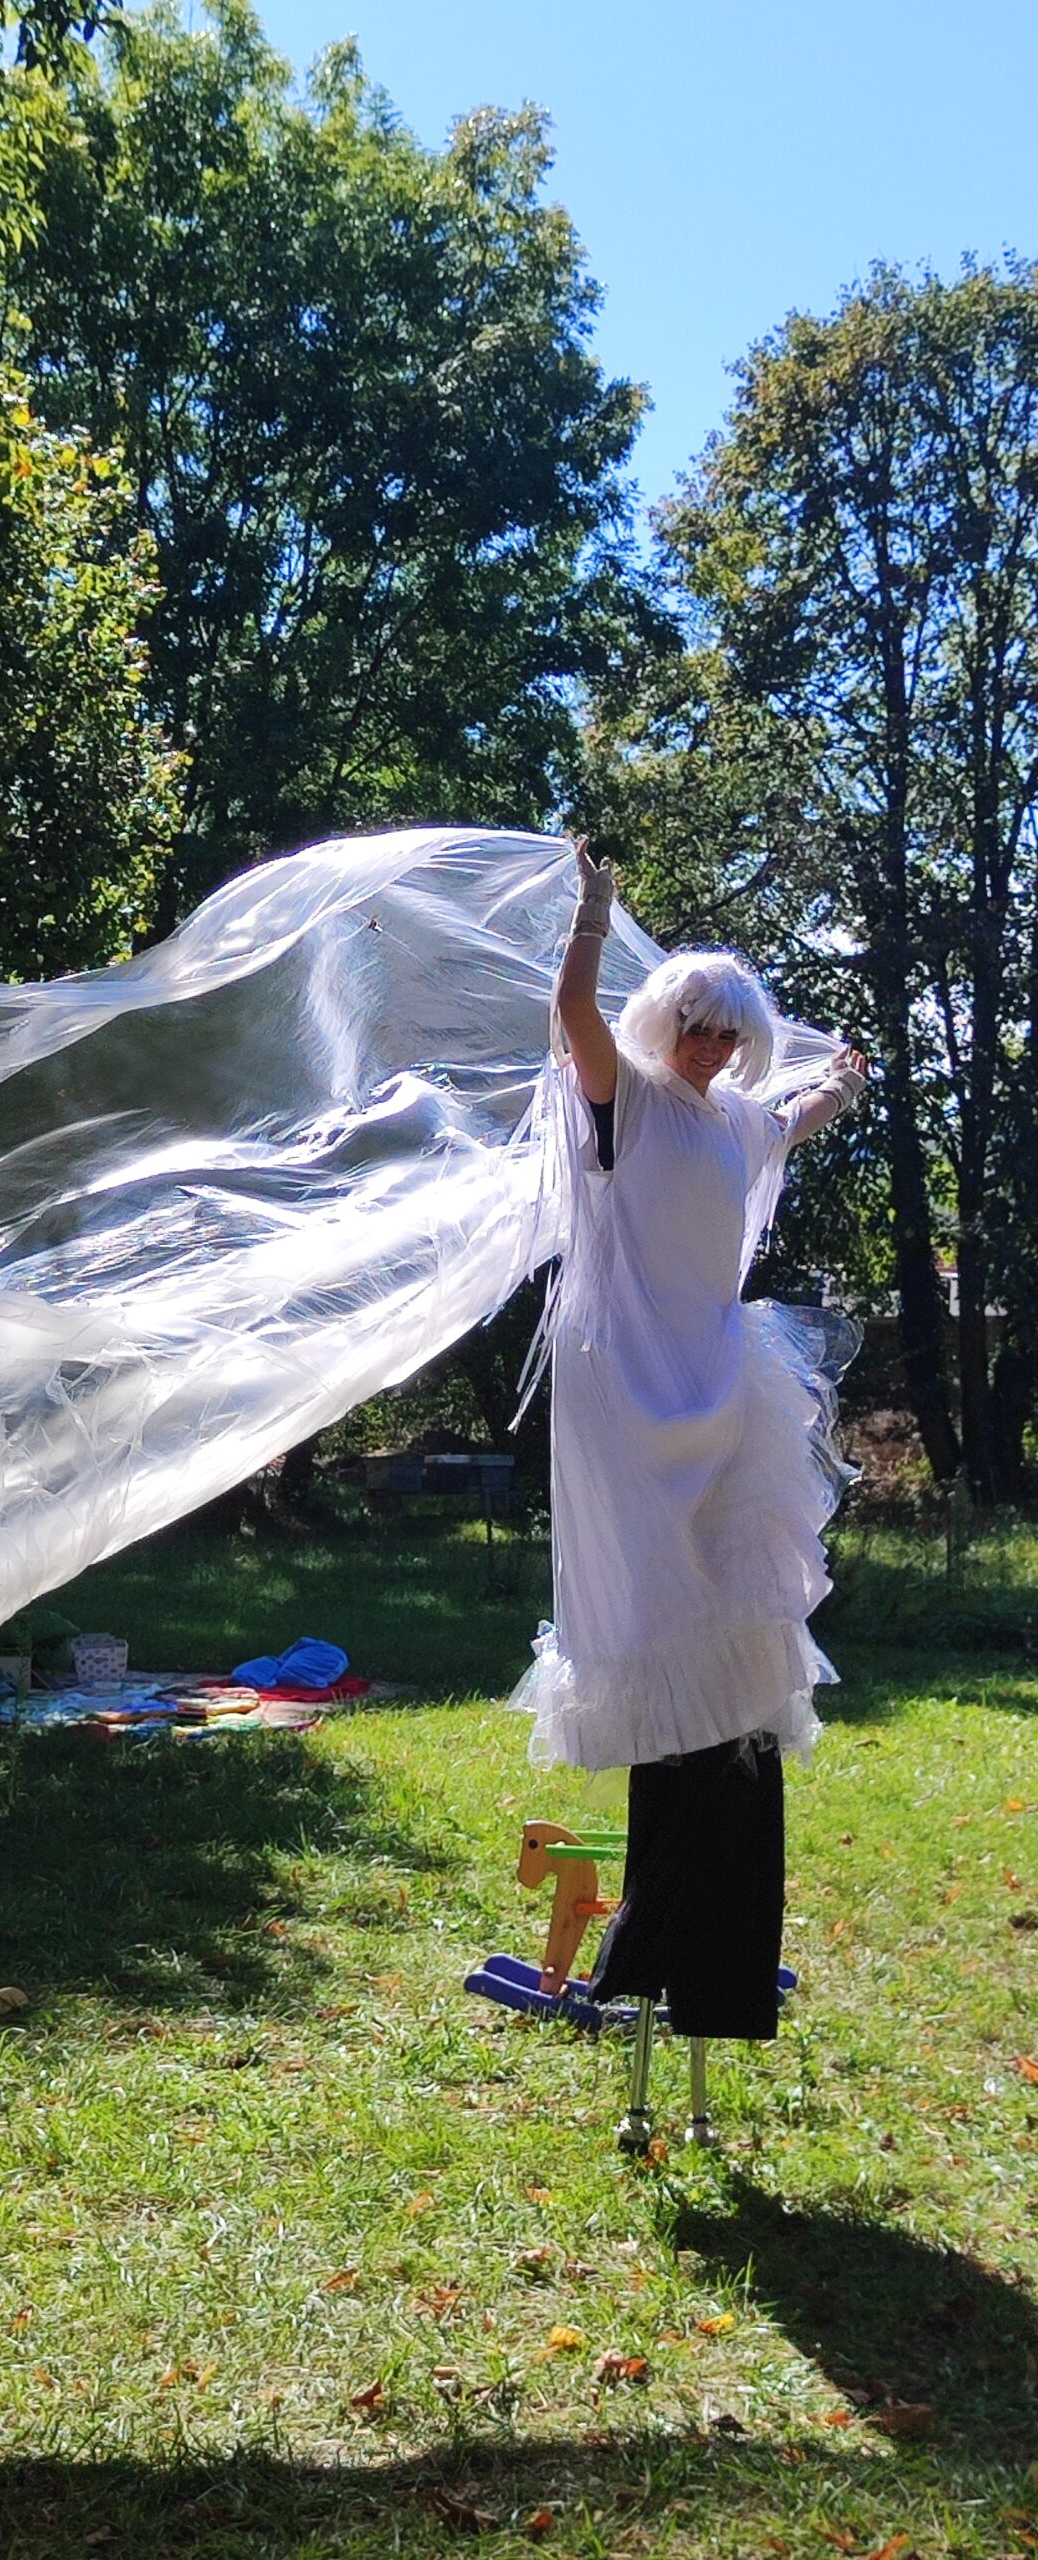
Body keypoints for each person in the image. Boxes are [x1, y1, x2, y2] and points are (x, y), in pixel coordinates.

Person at [512, 839, 867, 2048]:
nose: (712, 1050)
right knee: (659, 1597)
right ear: (666, 1023)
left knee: (741, 1602)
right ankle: (665, 1911)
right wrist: (593, 921)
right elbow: (573, 1017)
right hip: (635, 1389)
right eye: (698, 1029)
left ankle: (707, 1925)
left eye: (730, 1034)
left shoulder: (733, 1123)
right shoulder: (631, 1105)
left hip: (726, 1379)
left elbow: (792, 1118)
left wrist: (843, 1082)